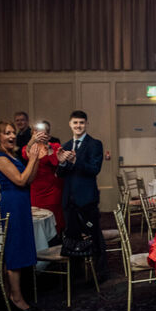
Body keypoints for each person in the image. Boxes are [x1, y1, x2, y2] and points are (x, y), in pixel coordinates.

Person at [0, 120, 45, 311]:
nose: (12, 136)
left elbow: (30, 178)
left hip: (21, 202)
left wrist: (35, 158)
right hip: (12, 204)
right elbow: (21, 180)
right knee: (15, 250)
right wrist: (32, 158)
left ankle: (9, 293)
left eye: (13, 132)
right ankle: (16, 297)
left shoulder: (10, 155)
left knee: (18, 247)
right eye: (7, 133)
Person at [56, 110, 107, 280]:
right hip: (69, 200)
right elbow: (60, 174)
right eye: (75, 123)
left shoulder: (95, 144)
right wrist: (62, 162)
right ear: (70, 124)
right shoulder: (66, 144)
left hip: (86, 199)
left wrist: (76, 161)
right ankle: (76, 275)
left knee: (94, 236)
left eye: (81, 123)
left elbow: (94, 169)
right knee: (72, 238)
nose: (78, 126)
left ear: (86, 124)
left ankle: (99, 273)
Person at [21, 121, 65, 235]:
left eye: (42, 130)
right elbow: (25, 155)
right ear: (32, 133)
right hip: (36, 189)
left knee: (55, 216)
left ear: (48, 134)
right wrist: (32, 141)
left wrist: (48, 146)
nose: (39, 133)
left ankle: (56, 239)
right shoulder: (29, 147)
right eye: (36, 130)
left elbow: (55, 163)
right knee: (36, 216)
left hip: (53, 188)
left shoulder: (55, 146)